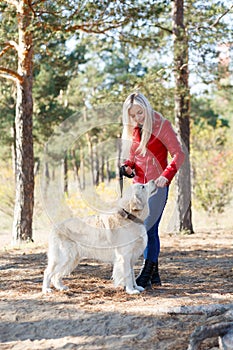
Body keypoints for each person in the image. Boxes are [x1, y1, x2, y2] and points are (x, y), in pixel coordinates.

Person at [120, 92, 185, 289]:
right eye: (132, 115)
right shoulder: (134, 130)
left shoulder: (161, 125)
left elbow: (178, 154)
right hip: (138, 186)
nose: (137, 118)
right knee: (146, 227)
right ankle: (154, 275)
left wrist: (166, 175)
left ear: (146, 107)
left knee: (146, 227)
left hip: (157, 185)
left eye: (140, 113)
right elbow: (133, 157)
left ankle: (146, 273)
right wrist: (127, 166)